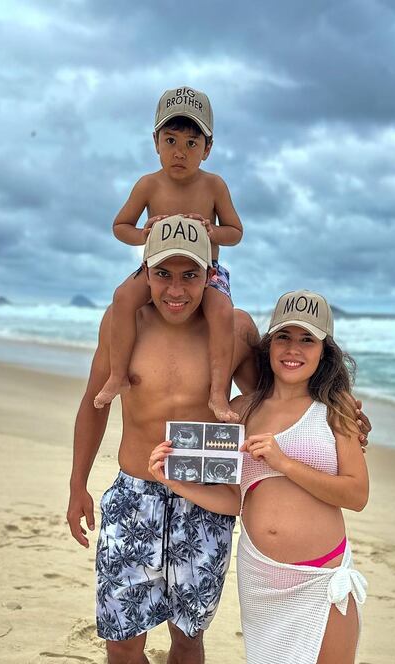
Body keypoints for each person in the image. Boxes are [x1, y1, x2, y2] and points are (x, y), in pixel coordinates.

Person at [148, 291, 369, 664]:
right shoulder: (243, 413)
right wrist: (176, 479)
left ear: (324, 350)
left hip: (321, 577)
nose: (293, 349)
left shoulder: (339, 409)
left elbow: (355, 493)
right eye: (284, 337)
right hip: (262, 578)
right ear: (269, 344)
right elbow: (231, 498)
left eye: (307, 339)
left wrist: (286, 462)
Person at [67, 216, 259, 664]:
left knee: (188, 632)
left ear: (210, 276)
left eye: (190, 274)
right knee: (122, 634)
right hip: (134, 496)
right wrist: (77, 483)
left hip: (203, 499)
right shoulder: (126, 323)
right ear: (146, 273)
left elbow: (278, 389)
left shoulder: (235, 329)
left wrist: (343, 412)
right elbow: (94, 404)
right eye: (163, 273)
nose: (176, 288)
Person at [92, 86, 243, 423]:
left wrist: (211, 231)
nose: (180, 152)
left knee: (222, 310)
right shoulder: (148, 185)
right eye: (171, 140)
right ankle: (117, 376)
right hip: (157, 268)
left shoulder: (214, 185)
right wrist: (143, 234)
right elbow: (120, 226)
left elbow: (235, 232)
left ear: (208, 148)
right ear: (156, 141)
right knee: (122, 296)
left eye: (192, 143)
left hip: (206, 270)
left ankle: (218, 393)